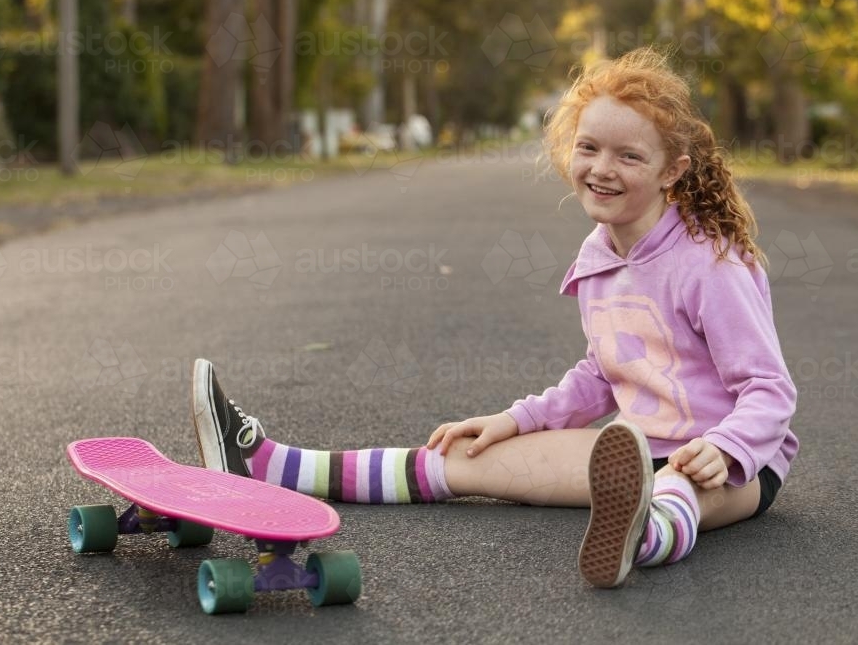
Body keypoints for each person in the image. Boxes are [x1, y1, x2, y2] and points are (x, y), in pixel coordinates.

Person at [190, 46, 798, 589]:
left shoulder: (712, 263)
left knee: (677, 492)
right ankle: (274, 464)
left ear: (672, 170)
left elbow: (769, 390)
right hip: (635, 453)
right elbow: (602, 371)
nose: (601, 168)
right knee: (465, 461)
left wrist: (726, 447)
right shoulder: (599, 254)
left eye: (628, 156)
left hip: (736, 466)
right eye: (588, 147)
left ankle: (643, 537)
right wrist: (515, 420)